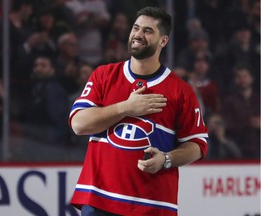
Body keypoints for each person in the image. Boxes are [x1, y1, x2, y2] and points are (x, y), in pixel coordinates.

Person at [69, 7, 208, 216]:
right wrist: (126, 107)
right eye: (136, 28)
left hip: (154, 205)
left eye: (148, 31)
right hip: (100, 199)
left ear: (163, 41)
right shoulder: (104, 75)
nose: (138, 35)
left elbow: (198, 145)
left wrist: (167, 159)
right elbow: (79, 124)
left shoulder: (181, 91)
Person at [221, 65, 260, 159]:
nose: (242, 79)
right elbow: (227, 125)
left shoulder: (259, 99)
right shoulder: (230, 101)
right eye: (239, 77)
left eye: (245, 76)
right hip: (239, 144)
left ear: (252, 78)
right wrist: (249, 123)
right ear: (235, 80)